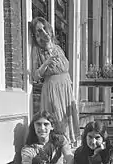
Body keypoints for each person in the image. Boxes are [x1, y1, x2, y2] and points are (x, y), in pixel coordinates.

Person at [31, 17, 80, 145]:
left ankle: (67, 149)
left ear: (49, 29)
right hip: (52, 89)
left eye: (44, 28)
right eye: (38, 31)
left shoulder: (58, 48)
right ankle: (57, 148)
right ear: (36, 35)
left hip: (65, 88)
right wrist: (46, 63)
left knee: (68, 117)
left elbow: (65, 68)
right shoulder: (37, 51)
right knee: (57, 118)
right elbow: (35, 76)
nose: (43, 33)